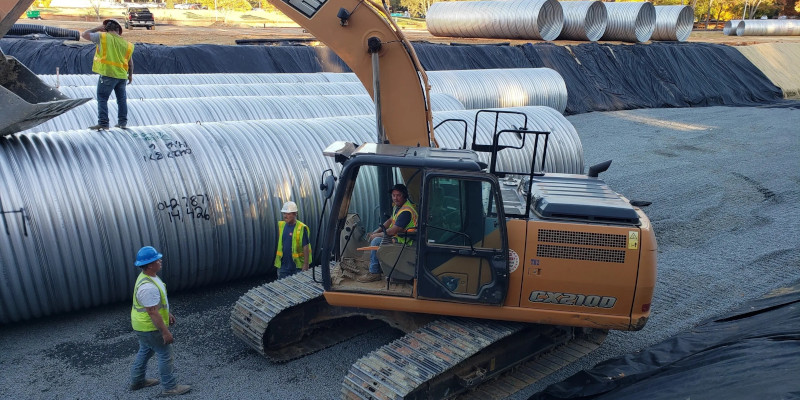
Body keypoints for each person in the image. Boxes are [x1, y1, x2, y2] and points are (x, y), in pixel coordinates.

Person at [130, 246, 191, 396]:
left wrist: (167, 313)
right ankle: (170, 387)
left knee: (145, 351)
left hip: (141, 326)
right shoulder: (148, 287)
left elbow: (155, 304)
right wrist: (165, 332)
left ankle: (137, 381)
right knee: (165, 354)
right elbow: (152, 312)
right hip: (149, 328)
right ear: (150, 265)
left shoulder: (148, 277)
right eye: (157, 259)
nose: (160, 260)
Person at [80, 19, 134, 130]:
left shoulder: (102, 37)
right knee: (121, 100)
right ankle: (122, 122)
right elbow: (130, 62)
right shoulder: (127, 44)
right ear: (118, 30)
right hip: (122, 76)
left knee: (102, 98)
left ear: (105, 29)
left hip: (108, 74)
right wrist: (130, 75)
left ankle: (103, 123)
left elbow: (84, 34)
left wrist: (97, 28)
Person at [358, 184, 418, 283]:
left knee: (376, 241)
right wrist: (377, 231)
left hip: (405, 241)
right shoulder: (399, 207)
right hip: (399, 237)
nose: (395, 198)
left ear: (404, 196)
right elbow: (390, 220)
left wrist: (376, 235)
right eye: (393, 195)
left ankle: (374, 272)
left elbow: (393, 230)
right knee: (376, 238)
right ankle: (376, 264)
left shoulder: (406, 211)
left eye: (398, 195)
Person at [275, 201, 311, 279]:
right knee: (283, 285)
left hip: (297, 266)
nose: (285, 216)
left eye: (288, 214)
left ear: (295, 214)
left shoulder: (301, 228)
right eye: (284, 213)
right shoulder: (282, 225)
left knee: (297, 285)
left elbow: (306, 247)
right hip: (283, 266)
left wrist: (306, 264)